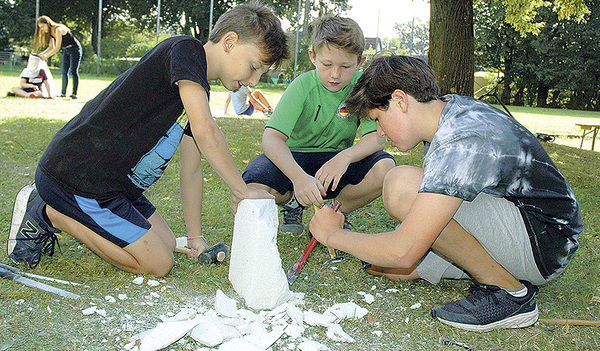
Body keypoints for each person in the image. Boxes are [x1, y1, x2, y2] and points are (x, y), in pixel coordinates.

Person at [7, 2, 289, 277]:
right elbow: (207, 131)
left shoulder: (196, 94)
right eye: (254, 67)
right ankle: (48, 210)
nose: (254, 80)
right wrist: (241, 189)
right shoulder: (186, 50)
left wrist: (194, 236)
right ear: (229, 42)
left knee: (166, 244)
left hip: (114, 189)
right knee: (158, 263)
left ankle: (74, 215)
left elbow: (191, 169)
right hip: (77, 178)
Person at [309, 55, 582, 332]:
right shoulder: (451, 112)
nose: (379, 131)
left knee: (401, 186)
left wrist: (333, 235)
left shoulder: (460, 140)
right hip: (531, 229)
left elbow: (403, 251)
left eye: (378, 118)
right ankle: (455, 266)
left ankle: (510, 293)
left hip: (545, 244)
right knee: (401, 228)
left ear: (401, 101)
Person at [242, 16, 396, 236]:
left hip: (337, 161)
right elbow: (271, 138)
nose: (335, 74)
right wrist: (297, 177)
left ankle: (332, 214)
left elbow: (378, 138)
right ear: (313, 57)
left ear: (360, 62)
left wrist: (344, 158)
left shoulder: (363, 86)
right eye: (327, 64)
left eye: (345, 66)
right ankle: (294, 201)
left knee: (386, 169)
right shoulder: (302, 85)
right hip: (294, 157)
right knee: (252, 187)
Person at [34, 15, 82, 99]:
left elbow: (57, 47)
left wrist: (46, 56)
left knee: (73, 71)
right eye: (40, 27)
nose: (42, 29)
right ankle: (63, 93)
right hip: (66, 50)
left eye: (42, 26)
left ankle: (74, 93)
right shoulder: (50, 33)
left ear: (47, 23)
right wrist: (42, 54)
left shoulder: (58, 29)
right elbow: (51, 46)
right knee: (64, 72)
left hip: (75, 48)